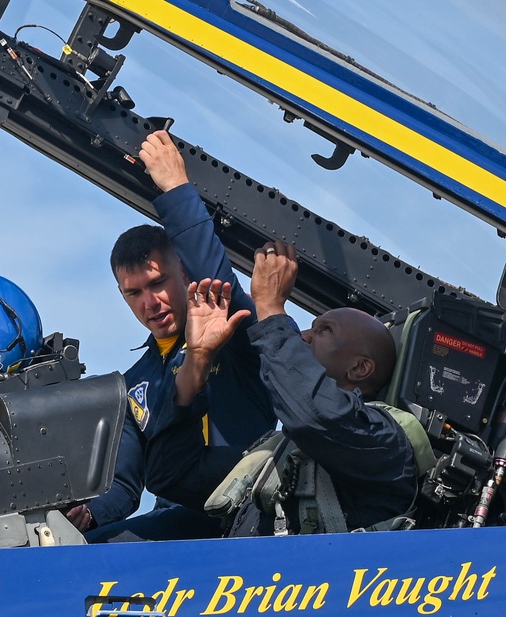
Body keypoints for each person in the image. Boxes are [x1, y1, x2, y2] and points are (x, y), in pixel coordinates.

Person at [68, 131, 276, 541]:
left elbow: (213, 265)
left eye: (158, 282)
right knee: (79, 550)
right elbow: (126, 488)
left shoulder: (229, 330)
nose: (151, 302)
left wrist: (176, 189)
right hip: (180, 518)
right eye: (135, 293)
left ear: (183, 274)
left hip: (249, 505)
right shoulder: (132, 386)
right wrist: (88, 514)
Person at [242, 240, 418, 531]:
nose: (305, 336)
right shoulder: (282, 448)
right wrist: (194, 369)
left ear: (360, 368)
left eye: (324, 330)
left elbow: (315, 413)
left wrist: (271, 308)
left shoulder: (380, 441)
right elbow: (175, 476)